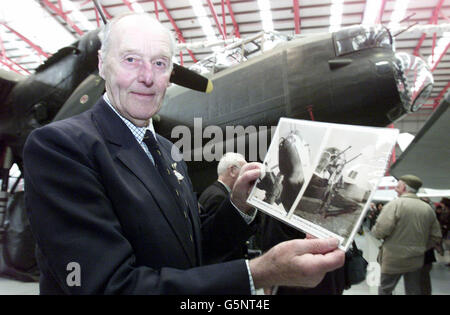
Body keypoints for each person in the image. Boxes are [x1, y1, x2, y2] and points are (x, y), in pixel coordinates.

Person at [22, 12, 344, 294]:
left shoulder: (168, 151)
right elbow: (106, 285)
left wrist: (238, 207)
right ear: (102, 63)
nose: (147, 77)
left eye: (160, 63)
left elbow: (188, 247)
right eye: (131, 59)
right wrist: (258, 272)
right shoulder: (60, 147)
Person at [372, 175, 442, 295]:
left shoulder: (394, 205)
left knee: (385, 289)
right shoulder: (427, 209)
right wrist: (421, 247)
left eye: (398, 186)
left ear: (404, 187)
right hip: (416, 259)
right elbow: (436, 236)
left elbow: (380, 232)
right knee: (413, 290)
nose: (395, 189)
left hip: (392, 259)